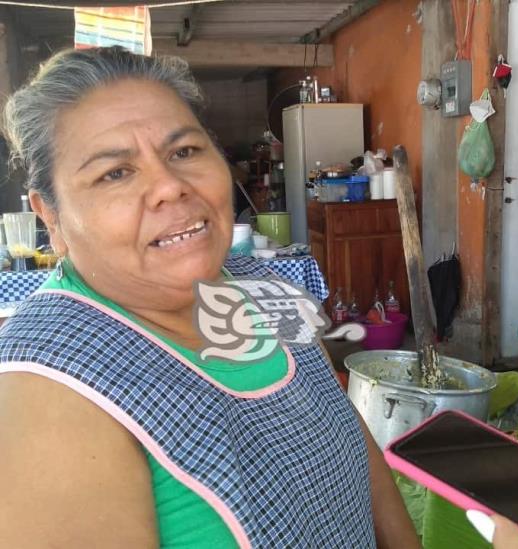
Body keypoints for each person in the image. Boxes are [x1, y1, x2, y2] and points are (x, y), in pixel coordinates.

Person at [0, 46, 419, 548]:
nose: (170, 187)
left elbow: (343, 435)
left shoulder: (261, 290)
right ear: (50, 216)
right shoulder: (50, 390)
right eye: (115, 172)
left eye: (184, 152)